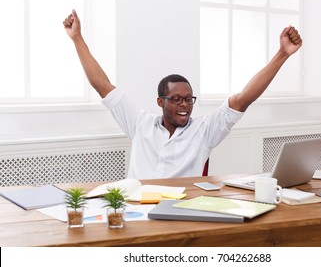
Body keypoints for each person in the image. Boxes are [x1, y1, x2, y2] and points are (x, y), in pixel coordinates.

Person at [63, 9, 302, 180]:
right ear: (160, 101)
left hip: (181, 210)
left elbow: (244, 98)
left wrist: (282, 54)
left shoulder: (204, 131)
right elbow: (100, 83)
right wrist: (77, 38)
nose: (184, 105)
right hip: (136, 209)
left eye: (189, 99)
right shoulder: (139, 123)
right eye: (176, 99)